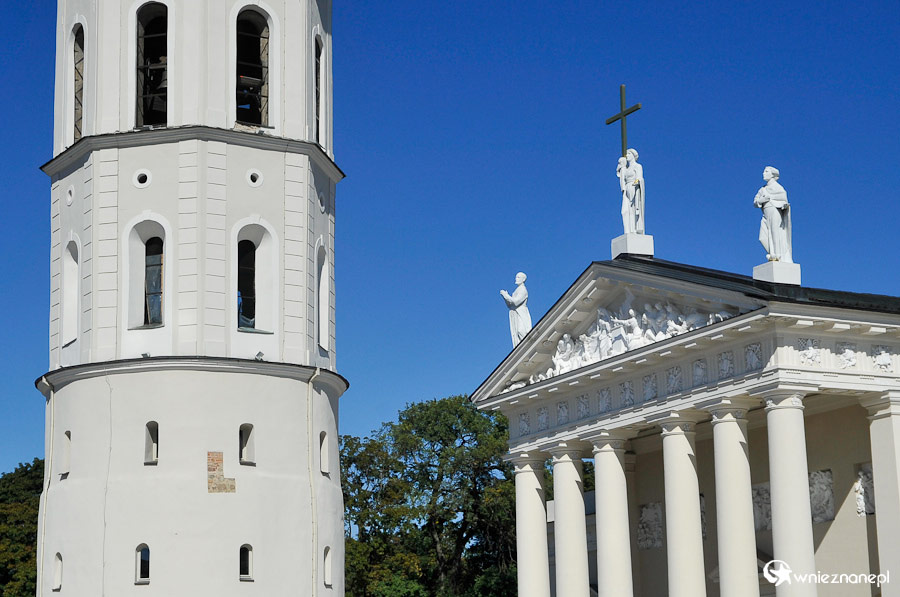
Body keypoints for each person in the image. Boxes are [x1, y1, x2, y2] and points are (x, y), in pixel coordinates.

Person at [754, 166, 793, 262]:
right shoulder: (762, 189)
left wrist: (784, 205)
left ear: (772, 175)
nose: (763, 173)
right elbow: (755, 202)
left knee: (775, 233)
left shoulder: (778, 187)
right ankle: (772, 253)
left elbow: (783, 199)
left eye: (766, 171)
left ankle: (777, 254)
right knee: (762, 237)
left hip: (774, 211)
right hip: (765, 214)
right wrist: (761, 200)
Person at [500, 272, 532, 347]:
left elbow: (516, 302)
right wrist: (505, 297)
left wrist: (506, 295)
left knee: (521, 330)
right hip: (514, 313)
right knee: (517, 333)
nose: (516, 279)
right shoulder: (516, 290)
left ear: (523, 279)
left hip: (520, 312)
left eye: (518, 277)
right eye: (516, 277)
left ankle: (528, 346)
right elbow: (510, 305)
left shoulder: (523, 290)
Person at [617, 148, 645, 234]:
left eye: (628, 154)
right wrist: (621, 166)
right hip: (626, 189)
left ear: (633, 155)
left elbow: (639, 178)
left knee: (633, 210)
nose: (627, 156)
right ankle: (627, 230)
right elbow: (621, 176)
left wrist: (636, 183)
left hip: (634, 188)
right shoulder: (626, 169)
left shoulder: (637, 166)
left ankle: (634, 229)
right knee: (624, 211)